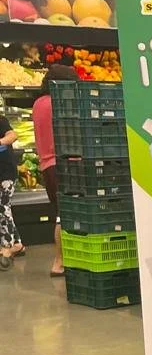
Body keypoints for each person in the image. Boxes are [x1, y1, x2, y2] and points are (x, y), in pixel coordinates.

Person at [32, 64, 80, 276]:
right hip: (65, 163)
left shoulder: (38, 104)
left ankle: (65, 260)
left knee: (61, 213)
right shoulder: (58, 103)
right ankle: (59, 262)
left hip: (47, 164)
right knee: (66, 214)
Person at [0, 105, 21, 271]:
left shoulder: (1, 120)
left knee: (2, 208)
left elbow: (12, 135)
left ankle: (6, 249)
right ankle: (18, 244)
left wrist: (1, 142)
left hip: (6, 173)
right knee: (4, 208)